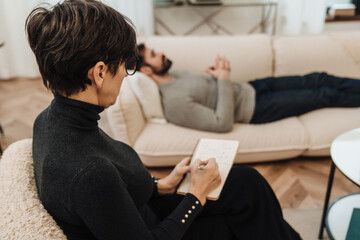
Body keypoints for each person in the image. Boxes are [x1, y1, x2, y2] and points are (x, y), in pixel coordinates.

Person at [27, 1, 301, 239]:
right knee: (249, 218)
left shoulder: (48, 121)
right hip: (157, 230)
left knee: (247, 182)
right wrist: (195, 196)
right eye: (125, 65)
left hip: (145, 211)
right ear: (99, 73)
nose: (125, 73)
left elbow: (113, 195)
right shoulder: (89, 173)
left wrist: (163, 184)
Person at [137, 43, 360, 132]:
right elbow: (222, 123)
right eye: (154, 55)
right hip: (255, 109)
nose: (161, 54)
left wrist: (217, 74)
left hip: (250, 88)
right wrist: (223, 79)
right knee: (324, 94)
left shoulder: (175, 73)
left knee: (318, 78)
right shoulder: (173, 104)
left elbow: (213, 93)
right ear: (146, 71)